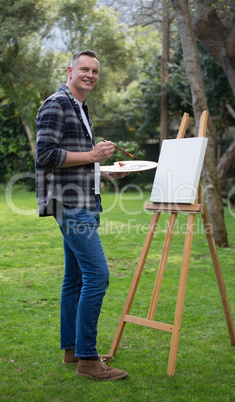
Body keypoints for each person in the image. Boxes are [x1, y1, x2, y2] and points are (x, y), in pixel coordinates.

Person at [35, 49, 128, 381]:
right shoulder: (56, 104)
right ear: (70, 70)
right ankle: (89, 360)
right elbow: (45, 154)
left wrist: (102, 171)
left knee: (74, 280)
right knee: (98, 276)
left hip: (84, 200)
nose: (90, 75)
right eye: (85, 69)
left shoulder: (79, 107)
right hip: (71, 205)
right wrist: (92, 154)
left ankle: (73, 351)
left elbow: (76, 160)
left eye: (95, 71)